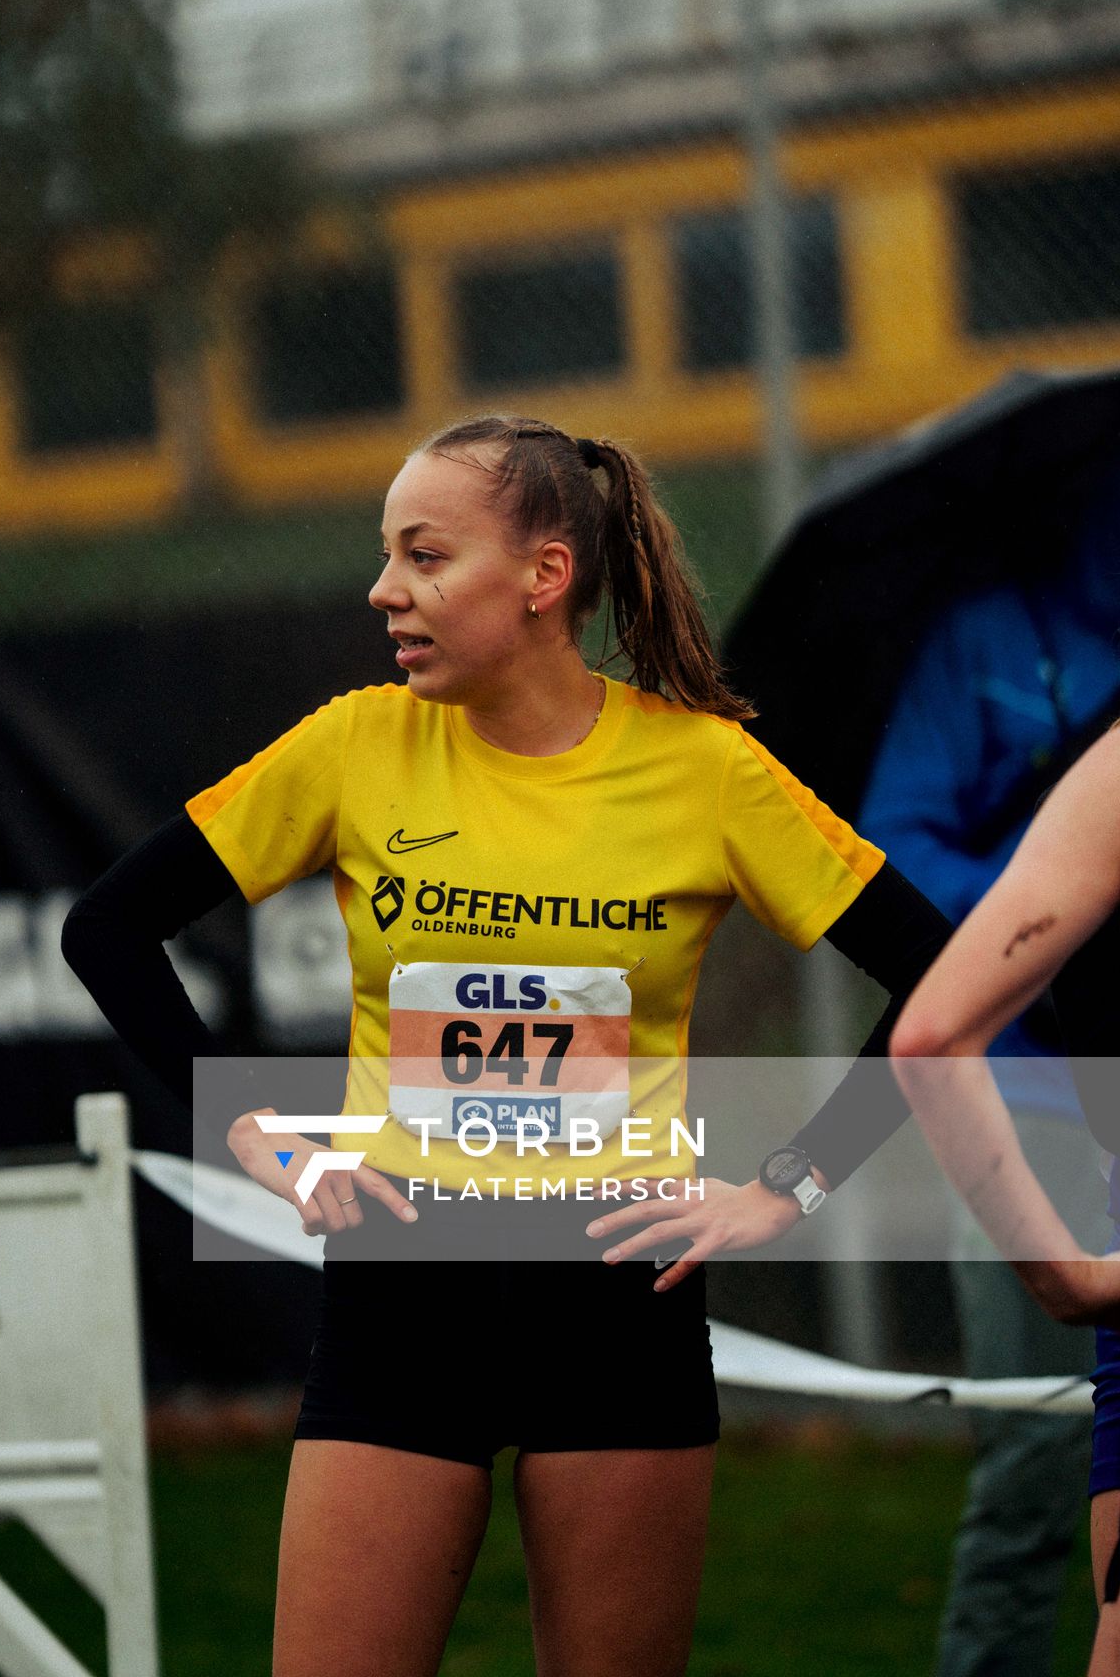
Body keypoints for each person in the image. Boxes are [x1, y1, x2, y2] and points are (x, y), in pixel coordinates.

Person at [63, 416, 951, 1677]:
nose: (384, 589)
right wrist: (260, 1139)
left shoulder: (704, 770)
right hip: (401, 1285)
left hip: (616, 1295)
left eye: (423, 556)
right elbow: (106, 930)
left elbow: (941, 977)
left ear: (542, 578)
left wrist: (788, 1187)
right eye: (386, 556)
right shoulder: (355, 744)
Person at [858, 487, 1120, 1677]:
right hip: (1027, 1099)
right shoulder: (981, 643)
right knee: (1031, 1454)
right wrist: (1057, 871)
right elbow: (895, 847)